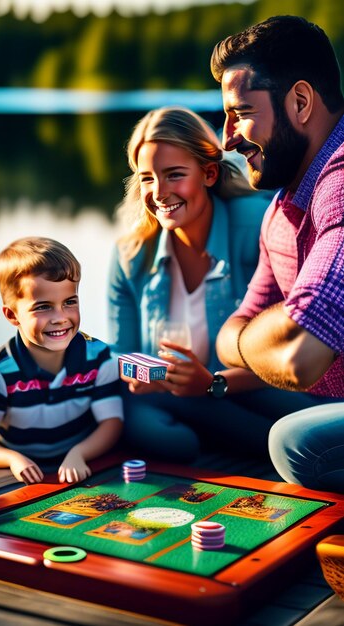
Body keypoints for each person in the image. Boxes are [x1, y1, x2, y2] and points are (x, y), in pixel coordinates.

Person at [108, 105, 321, 463]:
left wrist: (210, 383)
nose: (159, 193)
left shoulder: (260, 227)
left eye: (174, 174)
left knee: (165, 427)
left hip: (271, 395)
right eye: (147, 178)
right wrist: (150, 373)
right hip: (176, 398)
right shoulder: (130, 255)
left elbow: (298, 354)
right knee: (161, 432)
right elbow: (120, 352)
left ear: (208, 173)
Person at [210, 15, 344, 490]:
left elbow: (298, 358)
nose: (227, 138)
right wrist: (258, 336)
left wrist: (251, 339)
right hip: (326, 395)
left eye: (240, 112)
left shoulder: (341, 183)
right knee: (180, 395)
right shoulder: (280, 209)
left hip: (316, 397)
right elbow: (233, 330)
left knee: (295, 441)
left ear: (301, 102)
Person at [0, 237, 123, 485]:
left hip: (81, 461)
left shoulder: (99, 357)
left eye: (69, 302)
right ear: (12, 315)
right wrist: (12, 459)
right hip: (21, 475)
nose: (60, 318)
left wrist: (78, 454)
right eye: (43, 307)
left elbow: (111, 424)